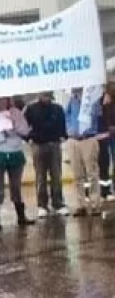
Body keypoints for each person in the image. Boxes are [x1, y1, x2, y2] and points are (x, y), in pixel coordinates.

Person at [0, 97, 35, 229]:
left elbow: (25, 131)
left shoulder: (16, 112)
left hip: (15, 152)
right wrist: (1, 136)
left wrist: (15, 123)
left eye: (5, 100)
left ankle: (21, 216)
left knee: (16, 186)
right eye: (0, 100)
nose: (3, 102)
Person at [23, 91, 69, 218]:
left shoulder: (57, 108)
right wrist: (28, 139)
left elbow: (62, 125)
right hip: (38, 145)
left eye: (48, 96)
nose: (46, 98)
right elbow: (23, 125)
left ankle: (58, 203)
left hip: (54, 144)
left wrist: (63, 136)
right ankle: (42, 205)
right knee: (40, 177)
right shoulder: (31, 108)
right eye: (44, 95)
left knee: (56, 175)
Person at [66, 87, 105, 217]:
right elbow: (67, 116)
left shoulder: (93, 100)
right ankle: (80, 204)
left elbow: (97, 115)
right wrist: (69, 129)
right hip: (74, 140)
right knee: (77, 175)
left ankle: (95, 204)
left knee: (92, 173)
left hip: (88, 138)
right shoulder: (72, 100)